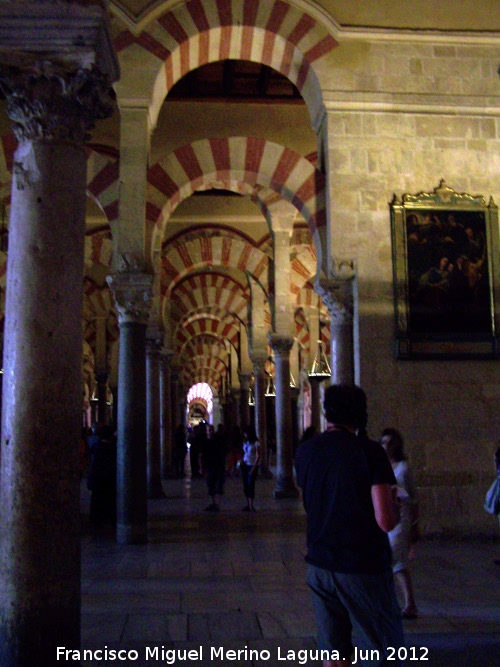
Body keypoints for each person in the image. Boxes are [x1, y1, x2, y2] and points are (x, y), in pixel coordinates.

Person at [295, 384, 404, 667]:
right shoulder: (369, 452)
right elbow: (386, 520)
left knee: (333, 653)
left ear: (327, 412)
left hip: (319, 563)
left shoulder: (306, 452)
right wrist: (396, 505)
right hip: (361, 565)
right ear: (359, 413)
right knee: (380, 650)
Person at [381, 428, 419, 619]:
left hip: (401, 516)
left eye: (389, 442)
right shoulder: (383, 465)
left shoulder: (403, 468)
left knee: (393, 558)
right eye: (383, 442)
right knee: (396, 563)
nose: (386, 446)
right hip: (386, 514)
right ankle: (408, 603)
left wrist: (414, 527)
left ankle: (402, 603)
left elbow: (413, 498)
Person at [202, 423, 226, 512]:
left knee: (219, 486)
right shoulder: (204, 441)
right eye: (209, 430)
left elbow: (222, 452)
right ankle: (213, 503)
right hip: (209, 466)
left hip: (218, 466)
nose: (211, 432)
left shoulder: (218, 440)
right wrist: (202, 467)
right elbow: (202, 455)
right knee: (210, 485)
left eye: (212, 430)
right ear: (207, 432)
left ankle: (217, 504)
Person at [240, 425, 260, 511]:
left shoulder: (256, 443)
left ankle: (251, 505)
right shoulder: (245, 442)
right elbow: (244, 452)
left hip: (252, 465)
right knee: (246, 485)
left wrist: (254, 467)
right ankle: (248, 504)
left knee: (251, 484)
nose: (244, 435)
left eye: (246, 433)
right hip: (245, 464)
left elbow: (258, 456)